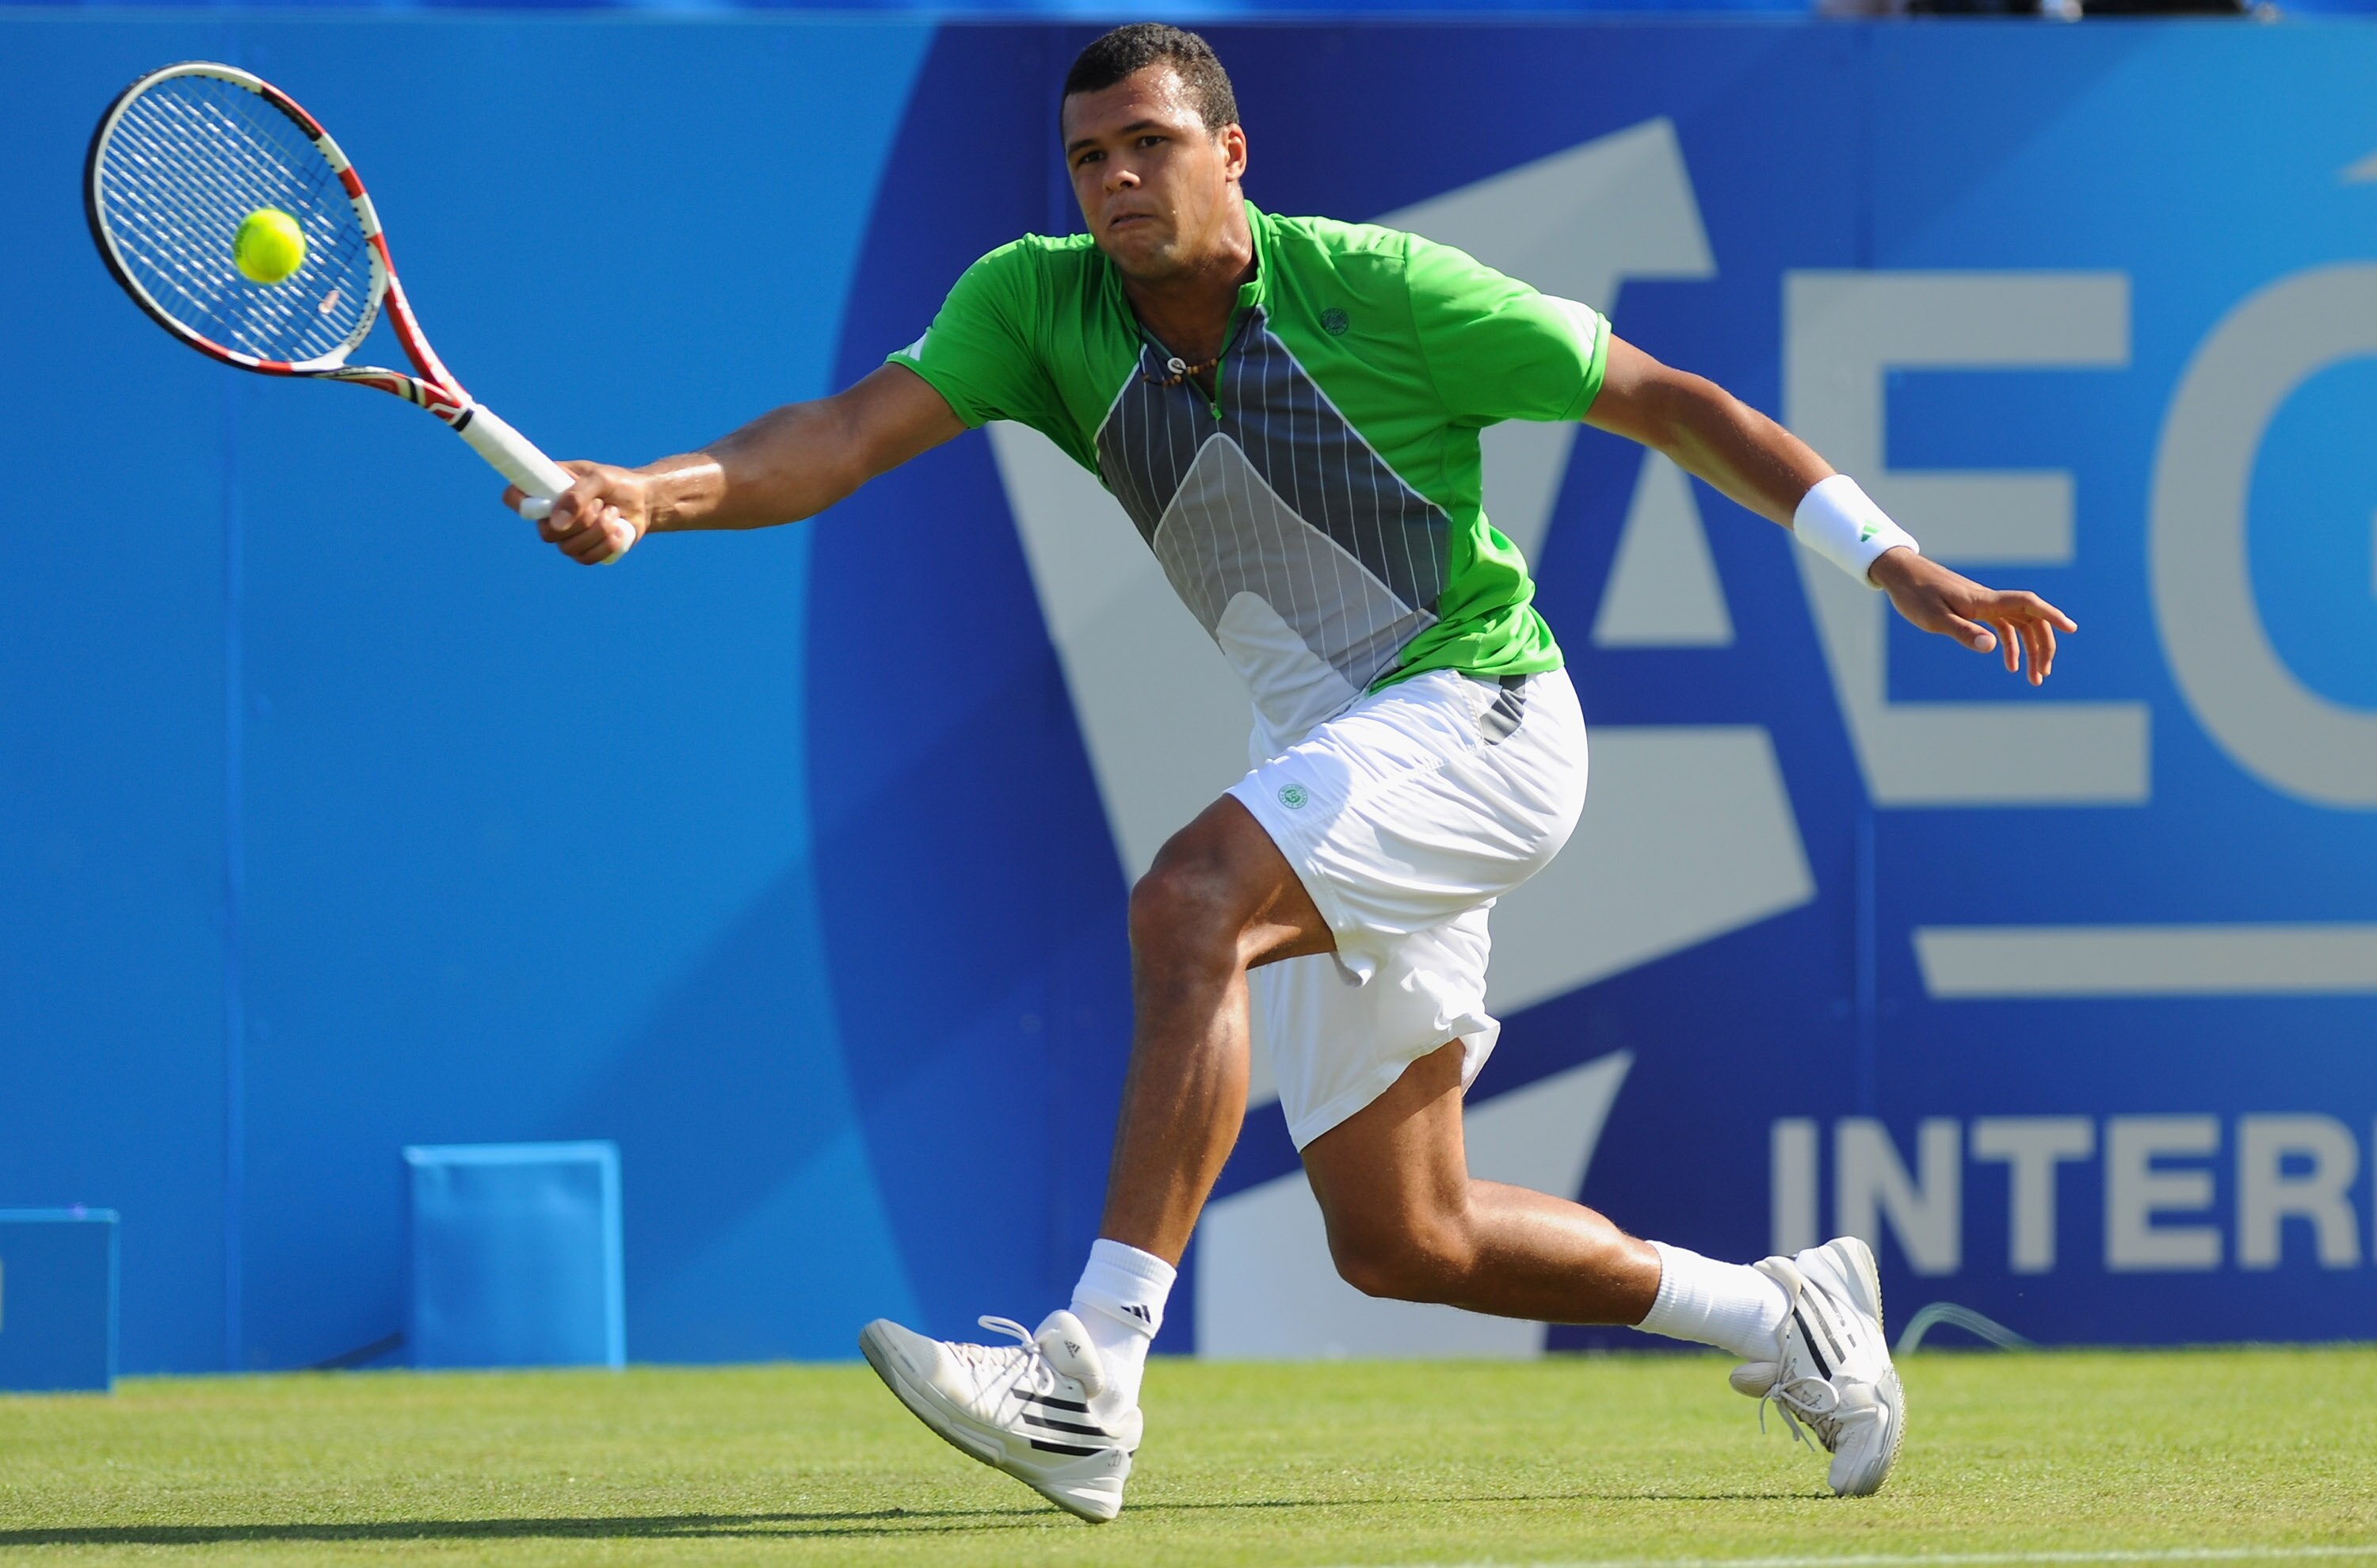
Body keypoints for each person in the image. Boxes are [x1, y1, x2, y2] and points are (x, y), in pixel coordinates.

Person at [514, 23, 2077, 1523]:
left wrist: (1890, 558)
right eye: (1088, 159)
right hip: (1334, 752)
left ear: (1230, 153)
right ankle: (1786, 1315)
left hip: (1481, 716)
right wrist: (655, 493)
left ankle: (1091, 1378)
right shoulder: (1033, 306)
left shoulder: (1385, 291)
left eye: (1151, 145)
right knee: (1408, 1238)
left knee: (1191, 900)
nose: (1118, 180)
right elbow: (842, 438)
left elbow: (1670, 402)